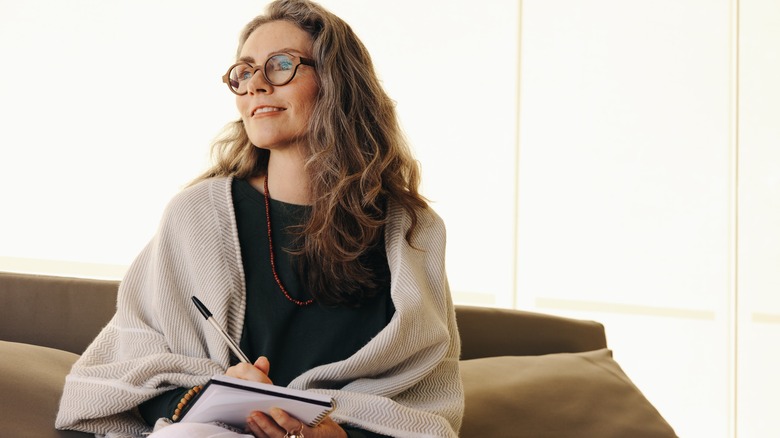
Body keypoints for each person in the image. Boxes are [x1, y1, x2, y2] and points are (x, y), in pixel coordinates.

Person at [55, 1, 463, 437]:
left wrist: (338, 433)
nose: (255, 86)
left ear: (337, 82)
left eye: (280, 65)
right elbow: (129, 367)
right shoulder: (195, 216)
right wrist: (210, 393)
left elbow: (425, 399)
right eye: (245, 72)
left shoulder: (411, 231)